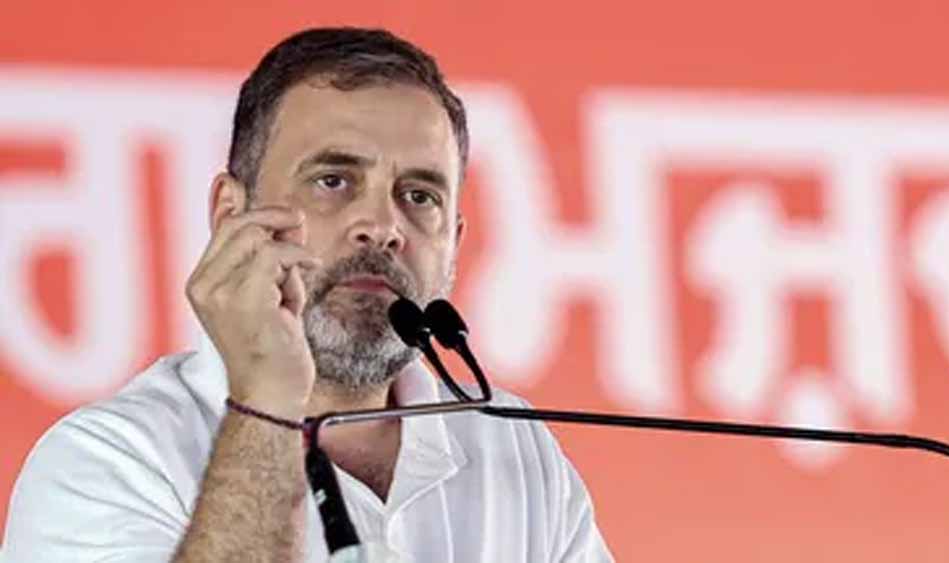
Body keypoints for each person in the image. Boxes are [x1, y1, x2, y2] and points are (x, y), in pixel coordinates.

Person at [2, 27, 612, 562]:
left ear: (453, 241)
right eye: (334, 180)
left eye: (419, 195)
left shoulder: (513, 446)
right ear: (231, 214)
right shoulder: (109, 460)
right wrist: (267, 402)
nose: (383, 226)